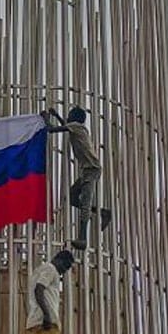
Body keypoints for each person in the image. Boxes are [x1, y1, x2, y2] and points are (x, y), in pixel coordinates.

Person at [41, 107, 111, 249]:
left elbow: (52, 129)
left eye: (69, 114)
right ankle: (102, 212)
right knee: (73, 197)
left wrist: (46, 118)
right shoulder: (78, 128)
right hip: (88, 170)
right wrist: (57, 115)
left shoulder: (75, 127)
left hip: (91, 169)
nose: (68, 116)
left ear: (74, 117)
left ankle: (83, 239)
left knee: (85, 203)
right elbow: (65, 125)